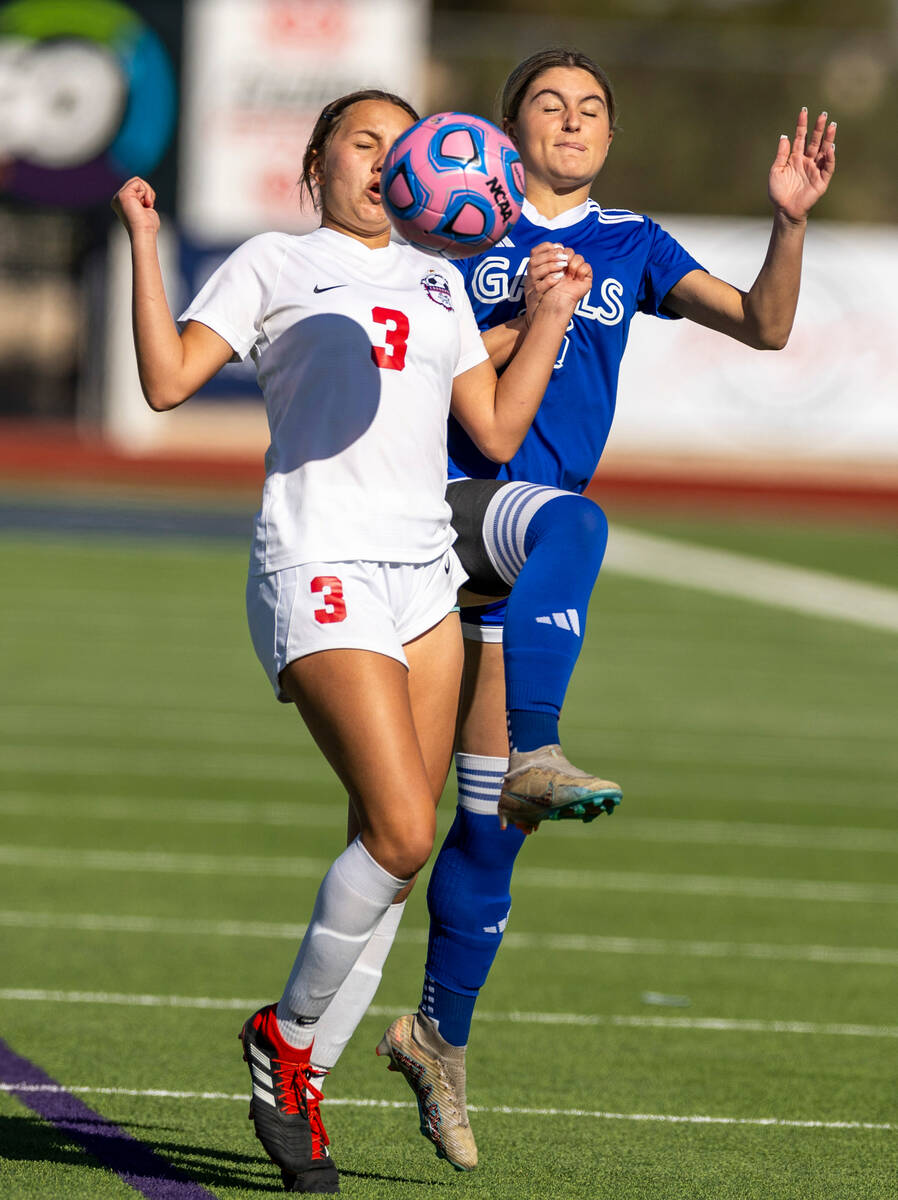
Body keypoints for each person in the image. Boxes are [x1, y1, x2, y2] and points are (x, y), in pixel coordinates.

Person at [111, 88, 593, 1194]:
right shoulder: (273, 263)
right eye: (361, 143)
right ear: (315, 162)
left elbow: (497, 429)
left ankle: (302, 1078)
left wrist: (550, 311)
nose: (384, 160)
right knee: (399, 833)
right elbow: (168, 380)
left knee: (387, 854)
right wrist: (146, 243)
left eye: (400, 142)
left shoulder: (436, 281)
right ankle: (285, 1041)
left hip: (424, 580)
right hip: (316, 564)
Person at [375, 48, 837, 1171]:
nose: (572, 121)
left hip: (516, 554)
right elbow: (416, 367)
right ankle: (540, 743)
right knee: (574, 528)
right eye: (549, 104)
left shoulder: (629, 243)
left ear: (609, 138)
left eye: (590, 109)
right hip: (441, 513)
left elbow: (764, 329)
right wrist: (521, 313)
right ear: (506, 130)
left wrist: (787, 226)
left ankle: (435, 1037)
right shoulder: (454, 227)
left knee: (486, 832)